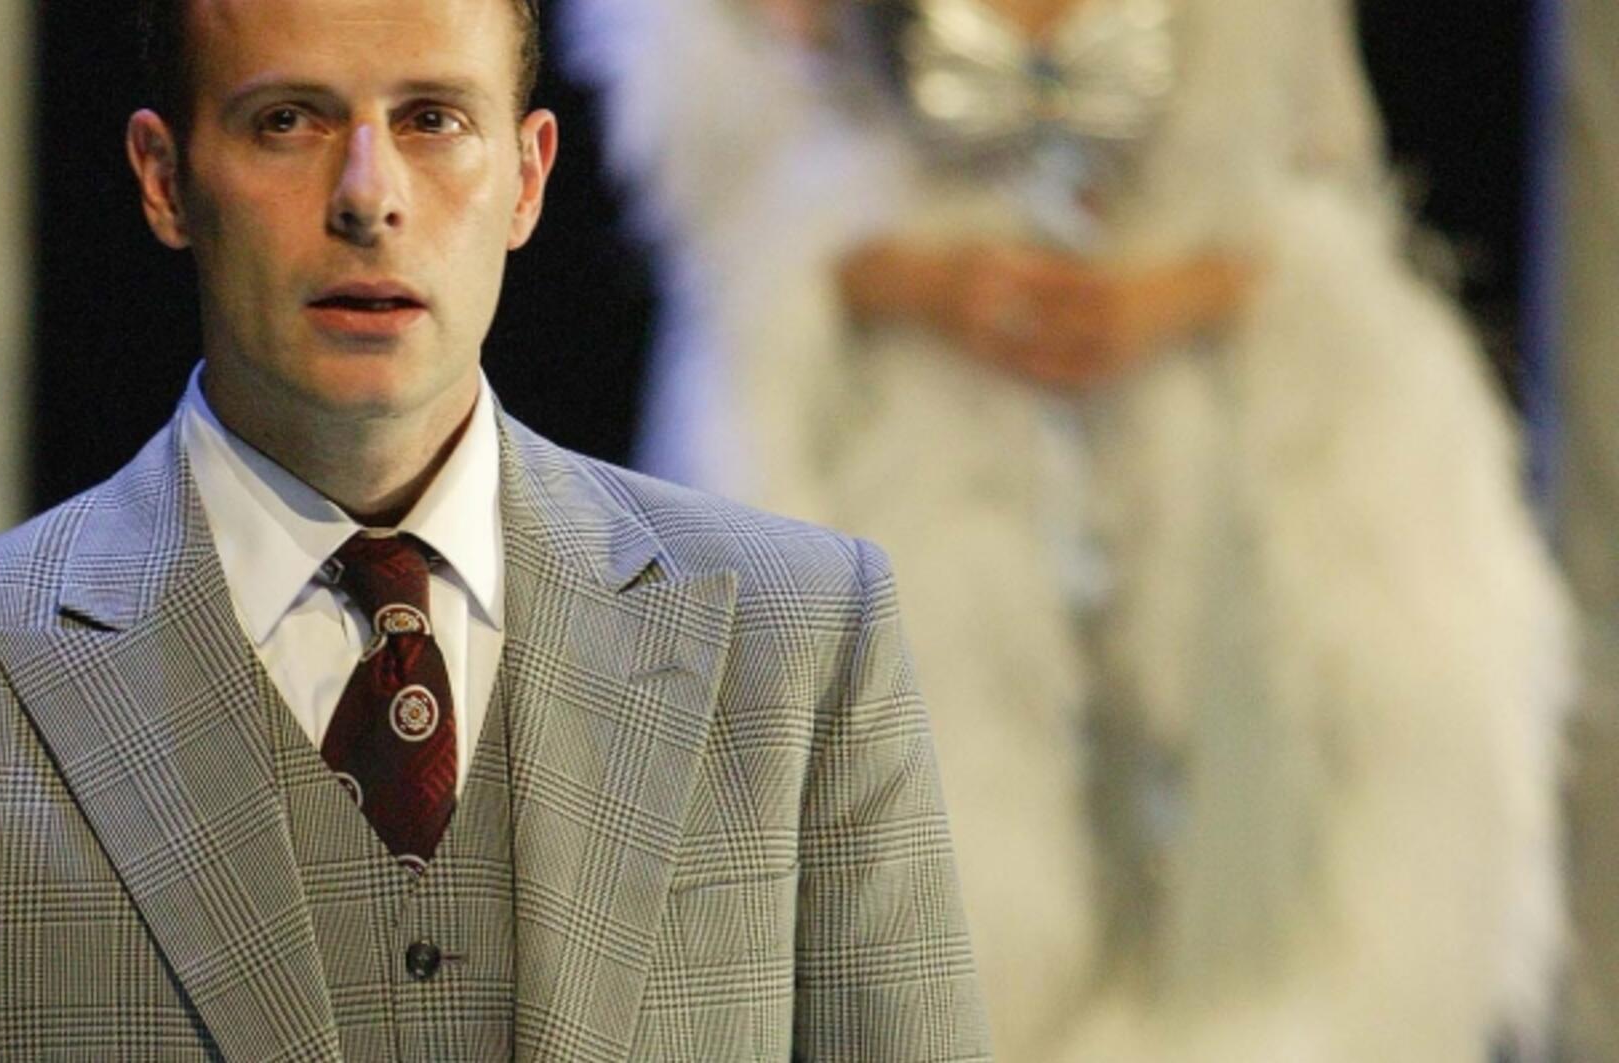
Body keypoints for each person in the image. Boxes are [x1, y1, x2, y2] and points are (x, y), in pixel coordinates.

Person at [0, 0, 992, 1059]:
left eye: (432, 119)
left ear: (527, 177)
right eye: (289, 121)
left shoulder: (799, 647)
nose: (368, 196)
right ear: (164, 180)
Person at [565, 0, 1575, 1060]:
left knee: (1248, 902)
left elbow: (1325, 181)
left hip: (1194, 457)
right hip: (925, 461)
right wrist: (925, 278)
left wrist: (1164, 292)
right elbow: (733, 207)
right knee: (924, 891)